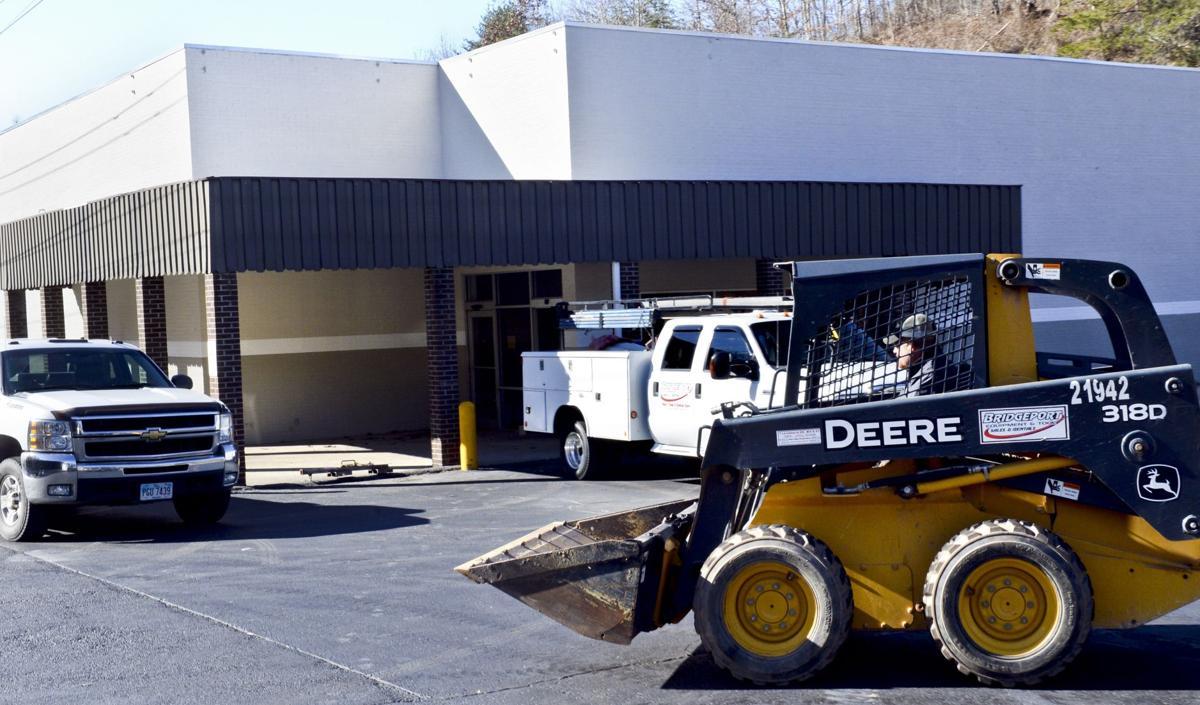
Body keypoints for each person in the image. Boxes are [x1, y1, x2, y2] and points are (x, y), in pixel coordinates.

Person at [884, 314, 937, 398]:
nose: (894, 351)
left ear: (911, 345)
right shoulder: (922, 372)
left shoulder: (925, 380)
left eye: (897, 345)